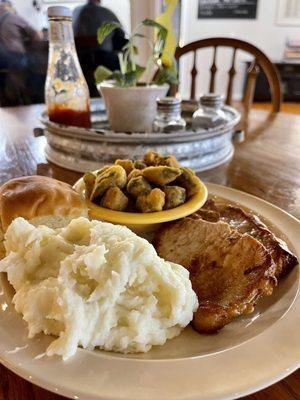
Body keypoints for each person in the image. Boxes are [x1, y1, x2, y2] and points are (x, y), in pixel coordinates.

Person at [73, 0, 127, 96]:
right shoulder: (106, 12)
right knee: (122, 67)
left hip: (78, 62)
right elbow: (120, 39)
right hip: (102, 59)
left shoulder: (75, 11)